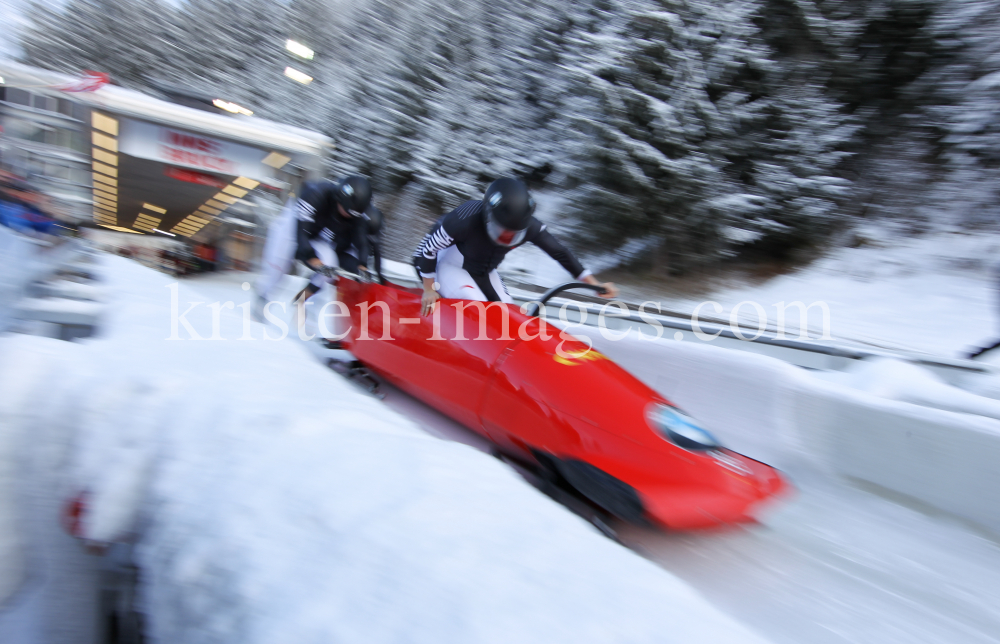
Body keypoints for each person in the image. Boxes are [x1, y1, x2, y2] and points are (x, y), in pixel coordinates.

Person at [413, 177, 617, 315]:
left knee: (507, 313)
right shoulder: (465, 217)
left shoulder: (531, 227)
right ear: (487, 218)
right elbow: (428, 249)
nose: (506, 239)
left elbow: (560, 253)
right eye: (502, 231)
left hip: (484, 270)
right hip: (450, 266)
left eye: (514, 235)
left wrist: (594, 284)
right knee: (476, 307)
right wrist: (429, 289)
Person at [254, 175, 379, 319]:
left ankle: (302, 300)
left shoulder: (356, 213)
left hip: (315, 234)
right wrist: (311, 257)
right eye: (346, 211)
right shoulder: (316, 193)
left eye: (353, 215)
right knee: (279, 266)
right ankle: (263, 295)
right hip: (292, 226)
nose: (348, 216)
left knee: (330, 264)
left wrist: (362, 265)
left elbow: (362, 241)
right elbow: (301, 235)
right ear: (340, 197)